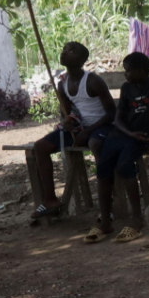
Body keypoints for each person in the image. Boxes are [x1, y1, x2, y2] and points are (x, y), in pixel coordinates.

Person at [29, 41, 116, 223]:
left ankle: (108, 207)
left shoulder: (93, 81)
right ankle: (51, 200)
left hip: (101, 127)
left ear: (83, 59)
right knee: (40, 146)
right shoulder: (62, 82)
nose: (64, 53)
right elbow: (65, 112)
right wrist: (66, 122)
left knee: (96, 144)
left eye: (71, 51)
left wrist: (89, 130)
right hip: (80, 129)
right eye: (64, 49)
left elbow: (111, 113)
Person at [83, 52, 149, 244]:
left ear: (140, 71)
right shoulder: (126, 88)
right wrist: (128, 133)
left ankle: (137, 219)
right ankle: (106, 221)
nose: (126, 74)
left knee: (124, 167)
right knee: (103, 168)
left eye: (128, 71)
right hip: (123, 133)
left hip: (143, 135)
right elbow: (118, 117)